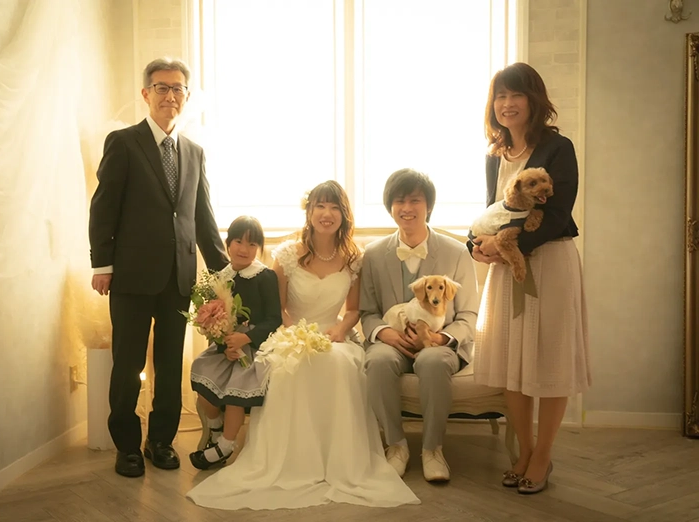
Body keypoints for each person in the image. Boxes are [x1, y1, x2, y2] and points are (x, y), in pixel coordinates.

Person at [186, 181, 419, 509]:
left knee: (339, 363)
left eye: (334, 207)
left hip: (334, 335)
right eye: (320, 206)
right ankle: (290, 460)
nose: (327, 213)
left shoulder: (354, 258)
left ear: (344, 215)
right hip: (290, 332)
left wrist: (340, 329)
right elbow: (277, 307)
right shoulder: (287, 254)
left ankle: (336, 459)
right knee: (289, 368)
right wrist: (293, 331)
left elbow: (353, 310)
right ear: (309, 212)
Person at [88, 57, 227, 478]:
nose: (170, 95)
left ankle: (161, 441)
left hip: (178, 278)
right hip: (130, 277)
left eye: (177, 88)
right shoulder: (123, 143)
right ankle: (127, 446)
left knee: (169, 367)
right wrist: (102, 264)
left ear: (186, 96)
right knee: (127, 366)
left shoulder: (195, 153)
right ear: (146, 94)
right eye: (162, 87)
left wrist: (224, 272)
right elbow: (103, 208)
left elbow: (202, 217)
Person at [470, 62, 590, 494]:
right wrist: (476, 245)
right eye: (500, 96)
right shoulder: (494, 156)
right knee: (511, 361)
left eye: (515, 95)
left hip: (550, 262)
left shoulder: (559, 148)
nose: (507, 104)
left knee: (550, 356)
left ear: (533, 100)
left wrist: (506, 247)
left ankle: (542, 455)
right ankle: (524, 449)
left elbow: (556, 214)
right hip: (506, 268)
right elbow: (492, 209)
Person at [361, 168, 479, 483]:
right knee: (378, 360)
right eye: (399, 201)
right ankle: (396, 446)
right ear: (390, 207)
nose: (407, 208)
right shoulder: (373, 254)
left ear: (428, 206)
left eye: (415, 200)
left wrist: (441, 339)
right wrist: (385, 333)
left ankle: (432, 450)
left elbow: (469, 314)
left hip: (439, 344)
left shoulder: (456, 252)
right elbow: (367, 311)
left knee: (432, 361)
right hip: (392, 342)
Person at [188, 216, 282, 469]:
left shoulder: (265, 276)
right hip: (226, 346)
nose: (244, 249)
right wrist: (223, 344)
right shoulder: (220, 277)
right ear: (228, 243)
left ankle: (226, 445)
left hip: (254, 346)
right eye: (238, 241)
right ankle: (216, 427)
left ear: (259, 248)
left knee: (235, 387)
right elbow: (212, 319)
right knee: (201, 371)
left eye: (252, 244)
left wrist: (245, 338)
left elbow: (274, 319)